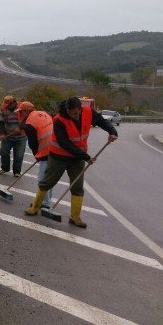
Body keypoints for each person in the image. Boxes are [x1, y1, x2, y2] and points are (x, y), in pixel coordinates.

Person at [24, 97, 118, 228]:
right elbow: (64, 143)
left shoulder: (88, 112)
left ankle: (75, 217)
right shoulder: (58, 120)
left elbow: (101, 121)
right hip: (58, 156)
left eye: (78, 112)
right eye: (73, 113)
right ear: (67, 110)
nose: (76, 115)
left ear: (81, 108)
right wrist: (85, 156)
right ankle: (35, 207)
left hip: (77, 158)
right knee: (48, 181)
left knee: (78, 187)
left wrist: (112, 131)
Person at [15, 101, 54, 208]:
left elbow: (33, 143)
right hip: (57, 148)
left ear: (27, 111)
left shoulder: (29, 124)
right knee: (49, 177)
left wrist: (37, 155)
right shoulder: (43, 113)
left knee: (43, 178)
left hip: (46, 150)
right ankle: (47, 200)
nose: (20, 114)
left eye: (21, 112)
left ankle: (44, 203)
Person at [0, 95, 26, 177]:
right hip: (7, 136)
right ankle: (5, 168)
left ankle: (17, 172)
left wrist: (20, 128)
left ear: (14, 102)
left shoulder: (22, 107)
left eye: (9, 104)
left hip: (21, 137)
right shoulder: (3, 109)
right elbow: (0, 122)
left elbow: (28, 120)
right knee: (3, 152)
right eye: (6, 104)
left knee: (19, 155)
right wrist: (2, 134)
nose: (7, 106)